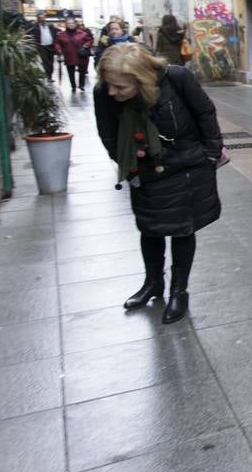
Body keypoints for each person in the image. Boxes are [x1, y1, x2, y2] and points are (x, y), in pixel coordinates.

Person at [93, 42, 224, 324]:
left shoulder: (177, 78)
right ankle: (153, 283)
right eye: (110, 85)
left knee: (182, 228)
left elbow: (205, 112)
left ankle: (180, 291)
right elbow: (109, 135)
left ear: (140, 80)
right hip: (144, 169)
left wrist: (210, 152)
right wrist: (128, 167)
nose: (112, 92)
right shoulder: (104, 93)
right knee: (149, 226)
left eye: (120, 87)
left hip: (186, 166)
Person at [55, 18, 95, 94]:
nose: (71, 25)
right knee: (70, 72)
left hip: (81, 56)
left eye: (72, 23)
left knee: (82, 71)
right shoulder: (61, 35)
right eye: (69, 23)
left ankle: (81, 85)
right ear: (66, 24)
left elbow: (90, 40)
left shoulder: (82, 33)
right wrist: (59, 50)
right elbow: (57, 43)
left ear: (75, 24)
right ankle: (73, 86)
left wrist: (85, 46)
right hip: (69, 56)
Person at [27, 14, 56, 79]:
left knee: (51, 61)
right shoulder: (35, 27)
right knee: (46, 62)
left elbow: (55, 33)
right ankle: (49, 76)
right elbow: (29, 34)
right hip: (42, 47)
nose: (42, 19)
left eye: (43, 17)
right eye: (40, 18)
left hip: (51, 45)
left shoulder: (50, 26)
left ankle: (50, 74)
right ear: (38, 19)